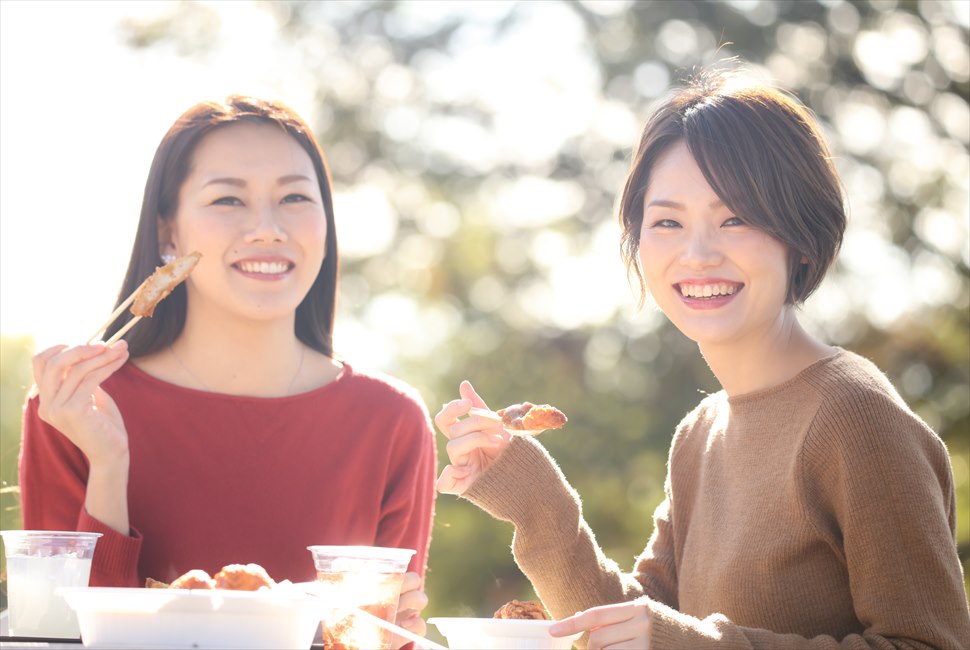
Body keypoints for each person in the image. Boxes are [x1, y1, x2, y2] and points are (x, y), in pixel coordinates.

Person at [434, 68, 970, 649]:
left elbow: (929, 643)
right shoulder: (700, 433)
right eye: (667, 222)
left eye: (734, 218)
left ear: (802, 235)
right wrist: (533, 495)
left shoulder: (858, 420)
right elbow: (633, 628)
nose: (698, 254)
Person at [21, 96, 435, 641]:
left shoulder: (390, 422)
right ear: (168, 233)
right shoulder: (75, 405)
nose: (267, 228)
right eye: (228, 200)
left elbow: (372, 639)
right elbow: (59, 637)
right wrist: (109, 465)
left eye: (294, 197)